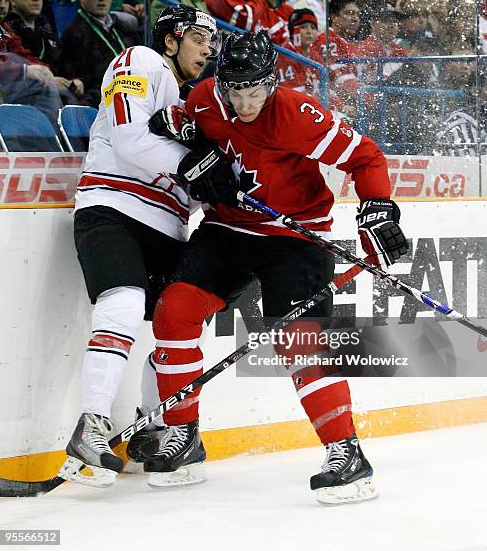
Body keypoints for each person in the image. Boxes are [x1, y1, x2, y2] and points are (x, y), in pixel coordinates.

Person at [139, 30, 408, 504]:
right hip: (228, 229)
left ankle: (347, 454)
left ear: (272, 82)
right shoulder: (205, 97)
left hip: (294, 237)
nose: (244, 103)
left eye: (254, 92)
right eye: (235, 92)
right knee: (174, 311)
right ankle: (184, 437)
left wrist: (378, 209)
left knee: (298, 340)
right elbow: (181, 121)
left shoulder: (298, 115)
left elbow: (366, 158)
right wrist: (184, 137)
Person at [58, 4, 221, 488]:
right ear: (170, 39)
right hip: (112, 208)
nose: (207, 49)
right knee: (124, 306)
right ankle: (91, 425)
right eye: (196, 38)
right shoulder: (140, 61)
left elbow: (193, 189)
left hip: (167, 226)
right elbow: (129, 138)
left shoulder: (195, 104)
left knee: (180, 326)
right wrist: (193, 165)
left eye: (210, 42)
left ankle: (153, 429)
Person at [59, 0, 139, 107]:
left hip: (134, 91)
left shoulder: (123, 26)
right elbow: (79, 80)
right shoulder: (73, 34)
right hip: (102, 100)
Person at [7, 0, 84, 104]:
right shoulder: (6, 31)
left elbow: (64, 63)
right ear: (13, 0)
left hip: (58, 95)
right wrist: (49, 81)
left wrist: (75, 81)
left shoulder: (46, 29)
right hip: (26, 98)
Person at [0, 0, 62, 122]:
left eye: (6, 0)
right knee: (47, 89)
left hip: (8, 85)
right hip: (5, 88)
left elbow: (23, 55)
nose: (2, 6)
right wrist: (24, 70)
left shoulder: (4, 29)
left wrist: (43, 71)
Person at [277, 7, 318, 94]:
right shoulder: (285, 56)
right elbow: (296, 97)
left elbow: (325, 88)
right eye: (303, 27)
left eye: (313, 27)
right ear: (293, 32)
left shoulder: (314, 54)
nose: (309, 31)